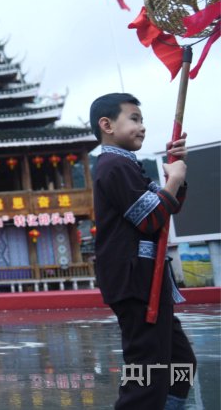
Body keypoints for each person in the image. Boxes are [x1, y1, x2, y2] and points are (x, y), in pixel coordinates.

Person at [89, 93, 196, 410]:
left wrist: (176, 175)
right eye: (134, 119)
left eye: (142, 120)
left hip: (147, 278)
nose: (142, 126)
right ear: (107, 125)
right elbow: (149, 218)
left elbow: (165, 208)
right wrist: (174, 180)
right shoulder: (113, 166)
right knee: (148, 371)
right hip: (134, 279)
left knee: (180, 362)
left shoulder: (126, 164)